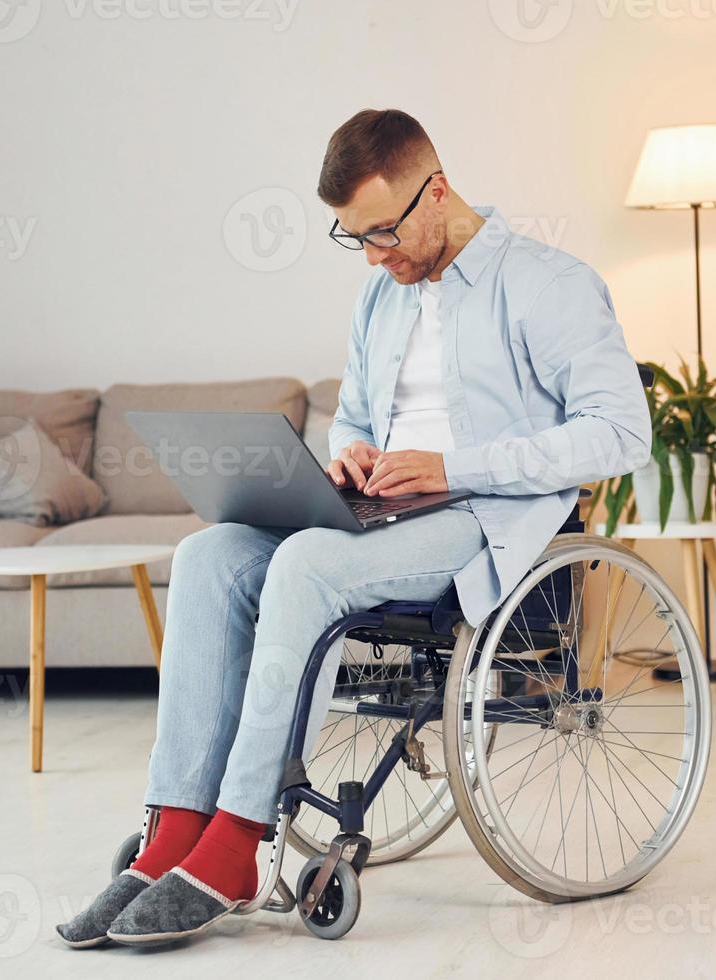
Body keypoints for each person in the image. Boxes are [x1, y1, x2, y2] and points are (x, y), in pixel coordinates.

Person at [58, 108, 651, 948]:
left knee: (304, 565)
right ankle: (173, 830)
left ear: (435, 190)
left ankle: (235, 843)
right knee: (207, 555)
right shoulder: (384, 294)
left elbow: (622, 433)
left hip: (481, 518)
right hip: (383, 512)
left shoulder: (550, 285)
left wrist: (455, 468)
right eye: (355, 239)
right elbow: (354, 418)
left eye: (382, 232)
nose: (373, 256)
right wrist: (350, 456)